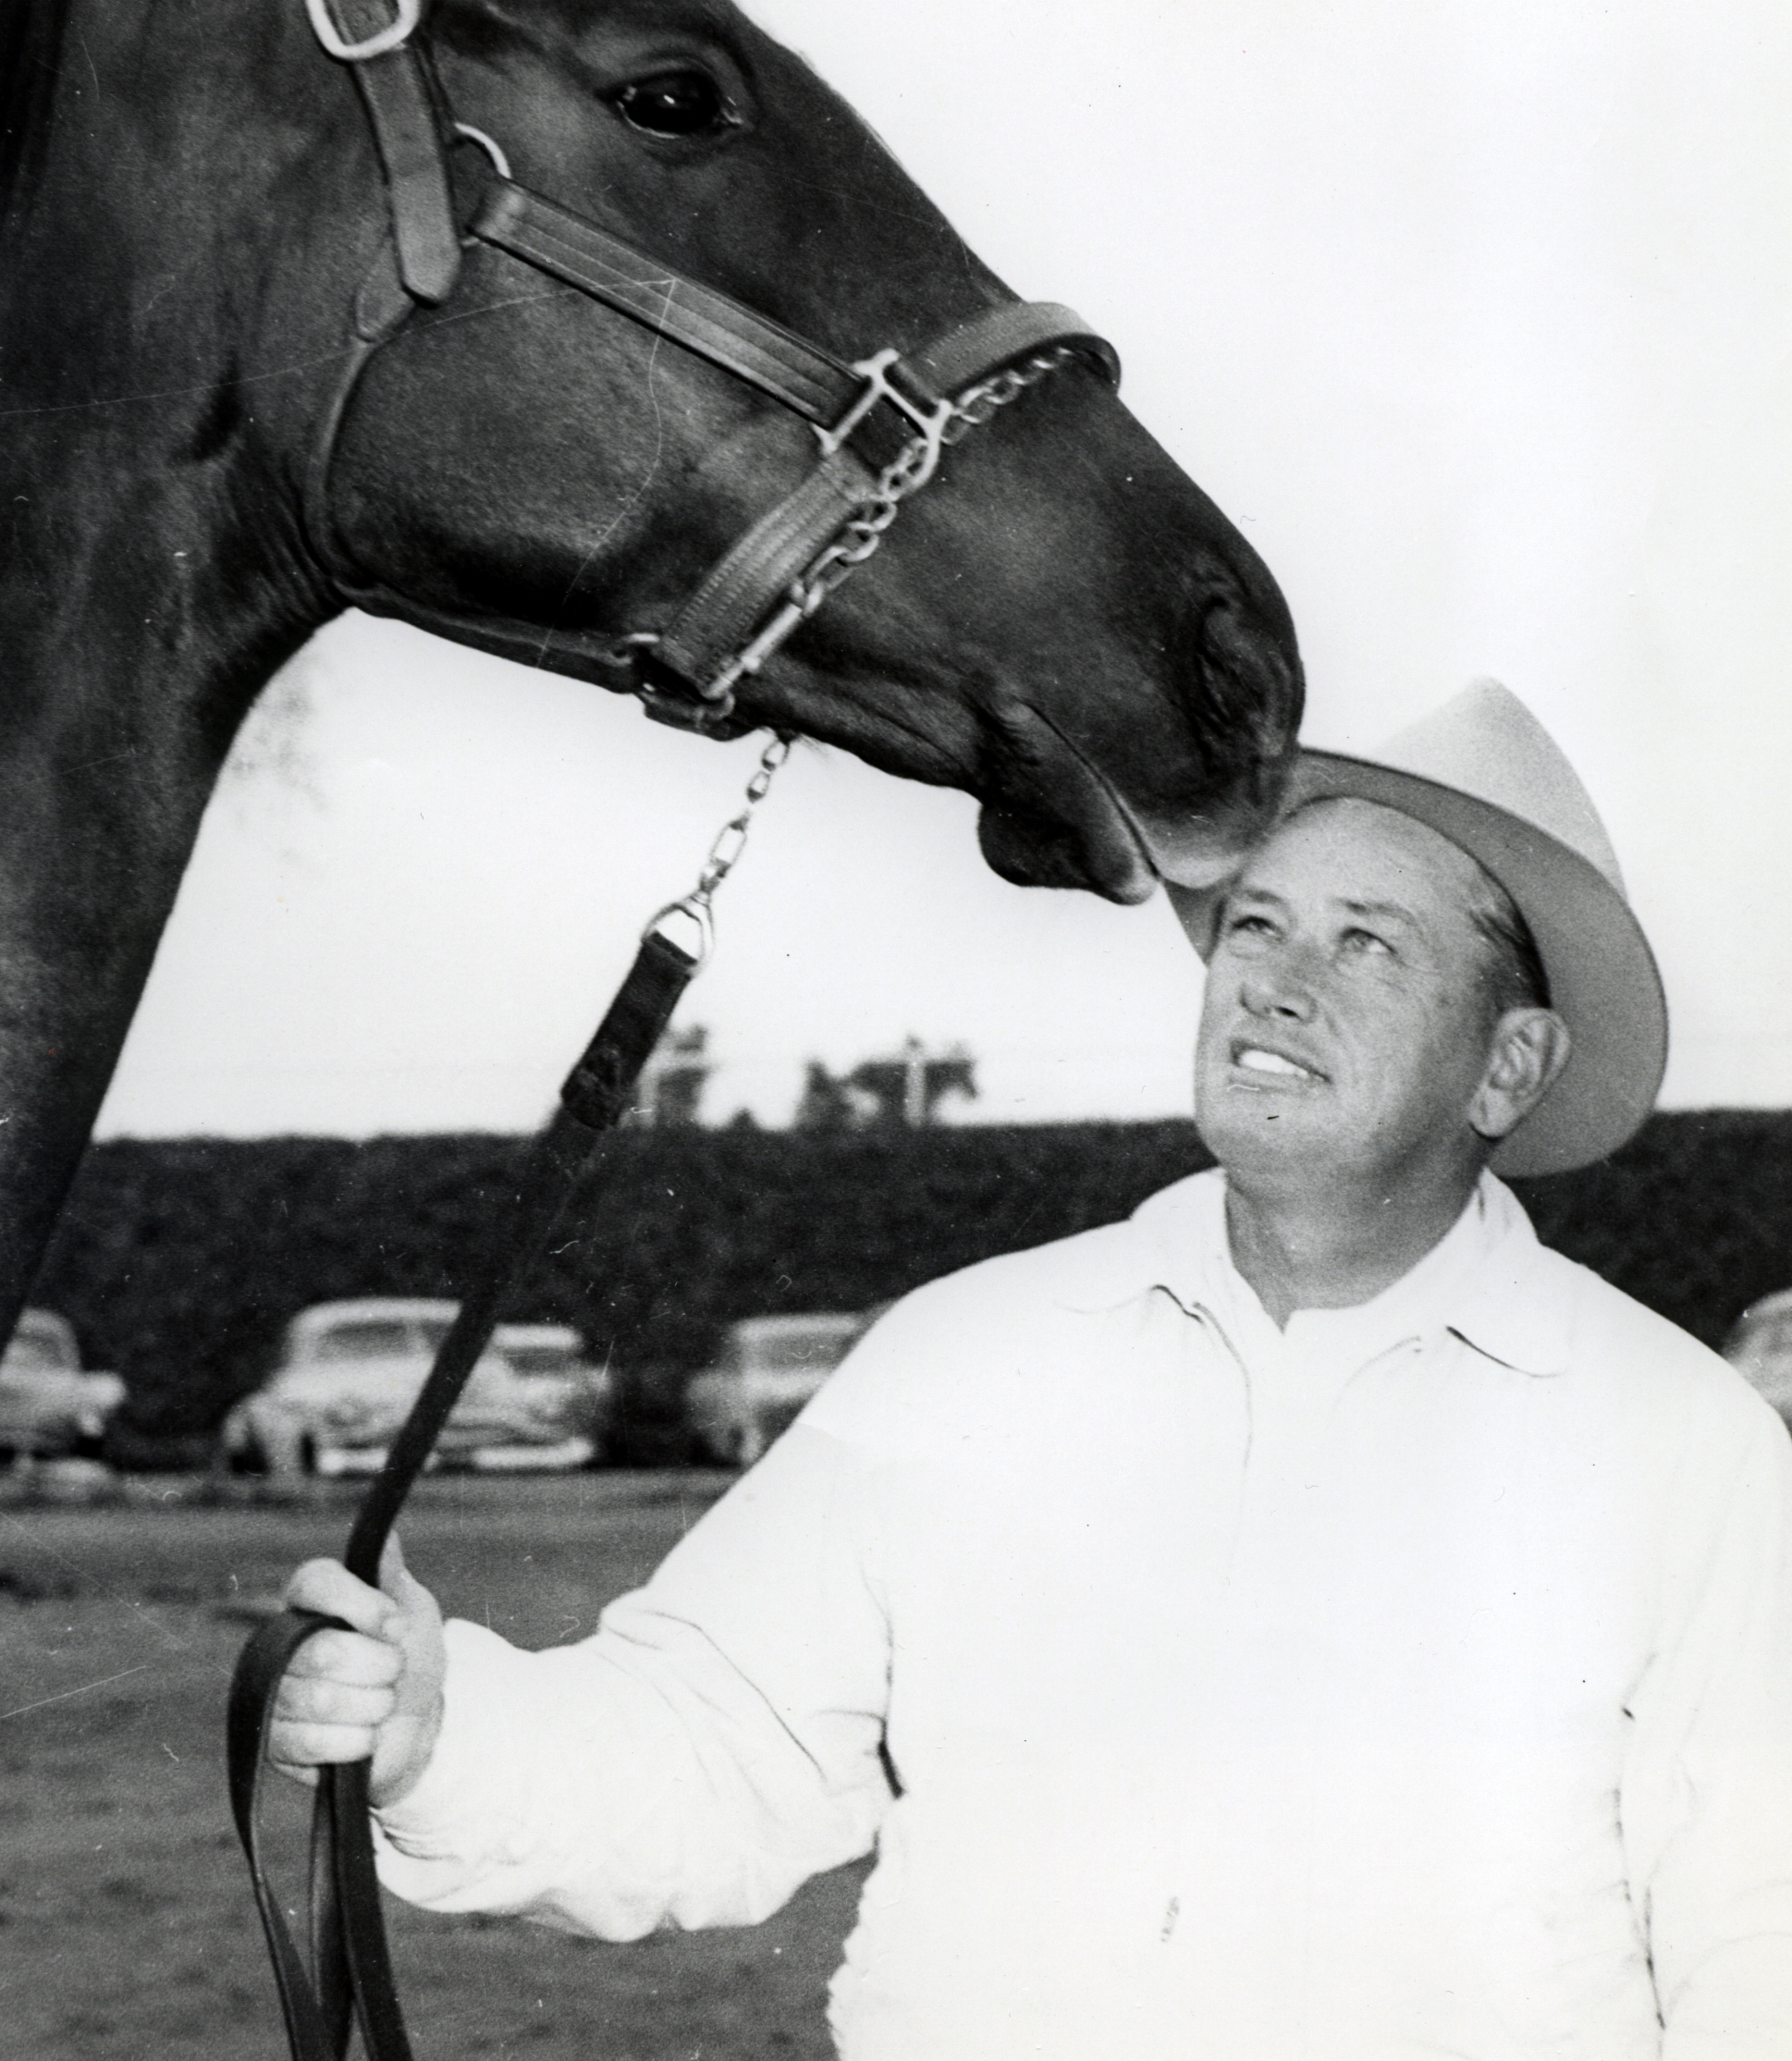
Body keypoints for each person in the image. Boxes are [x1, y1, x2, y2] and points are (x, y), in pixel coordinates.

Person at [268, 681, 1792, 2059]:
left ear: (1507, 1066)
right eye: (1256, 924)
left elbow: (1760, 1959)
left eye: (1365, 944)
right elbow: (715, 1747)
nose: (1272, 981)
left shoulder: (1686, 1449)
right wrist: (435, 1727)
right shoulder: (967, 1358)